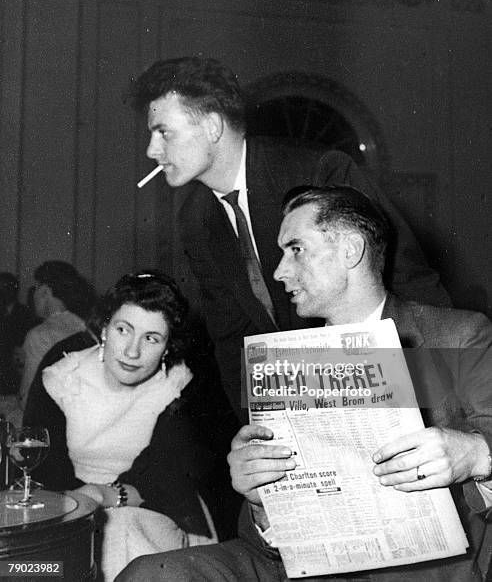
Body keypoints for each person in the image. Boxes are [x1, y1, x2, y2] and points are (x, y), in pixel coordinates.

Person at [116, 187, 492, 581]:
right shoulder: (284, 357)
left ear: (351, 250)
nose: (278, 272)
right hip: (302, 569)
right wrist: (260, 499)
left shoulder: (457, 336)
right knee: (151, 573)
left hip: (418, 569)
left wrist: (477, 455)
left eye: (295, 249)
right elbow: (264, 543)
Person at [130, 56, 450, 421]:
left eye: (163, 132)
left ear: (213, 126)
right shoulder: (195, 218)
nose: (151, 151)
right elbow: (234, 340)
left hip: (390, 381)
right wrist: (260, 432)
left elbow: (408, 280)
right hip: (304, 403)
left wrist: (441, 409)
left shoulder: (318, 171)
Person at [25, 270, 220, 581]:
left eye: (151, 338)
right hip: (72, 507)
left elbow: (165, 475)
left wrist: (105, 496)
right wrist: (85, 502)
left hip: (158, 509)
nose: (133, 351)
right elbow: (44, 470)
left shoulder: (181, 384)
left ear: (168, 346)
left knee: (125, 537)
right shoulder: (62, 377)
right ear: (104, 328)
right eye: (123, 330)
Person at [18, 260, 96, 408]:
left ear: (45, 291)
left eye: (36, 288)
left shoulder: (38, 335)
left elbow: (27, 400)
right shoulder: (88, 328)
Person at [0, 273, 36, 394]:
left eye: (5, 288)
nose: (1, 292)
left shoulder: (26, 315)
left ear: (14, 290)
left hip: (14, 379)